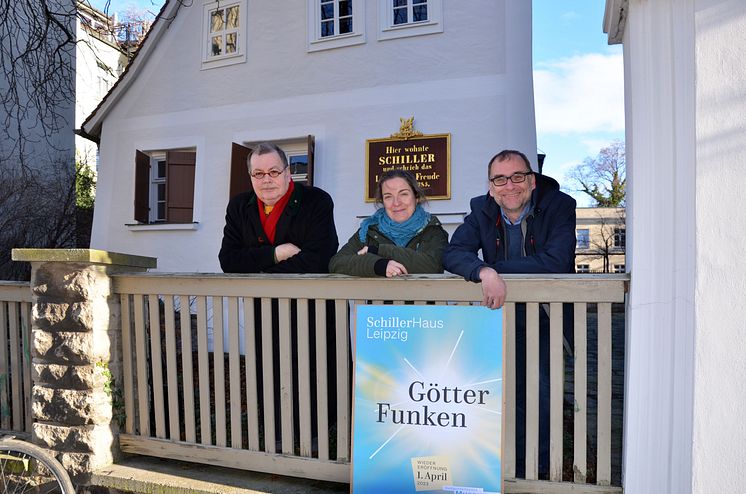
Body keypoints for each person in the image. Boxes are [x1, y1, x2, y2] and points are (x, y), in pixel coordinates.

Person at [442, 149, 576, 479]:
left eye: (518, 177)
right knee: (499, 392)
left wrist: (493, 268)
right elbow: (452, 253)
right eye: (500, 179)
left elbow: (555, 261)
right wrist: (484, 274)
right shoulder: (482, 210)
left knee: (540, 393)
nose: (509, 186)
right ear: (491, 187)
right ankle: (506, 467)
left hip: (546, 315)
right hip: (499, 312)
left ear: (531, 180)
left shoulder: (560, 206)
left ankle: (540, 471)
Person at [219, 142, 338, 273]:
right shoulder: (238, 206)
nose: (266, 180)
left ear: (287, 173)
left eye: (274, 172)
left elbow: (319, 260)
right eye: (258, 173)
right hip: (257, 293)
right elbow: (228, 261)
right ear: (250, 177)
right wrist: (275, 254)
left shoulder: (317, 201)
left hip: (306, 292)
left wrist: (260, 272)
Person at [329, 169, 448, 276]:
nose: (396, 203)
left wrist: (379, 250)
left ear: (416, 197)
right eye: (388, 196)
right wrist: (378, 265)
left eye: (403, 194)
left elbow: (433, 266)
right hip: (379, 299)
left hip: (421, 300)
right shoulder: (369, 231)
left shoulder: (432, 230)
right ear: (382, 201)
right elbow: (337, 263)